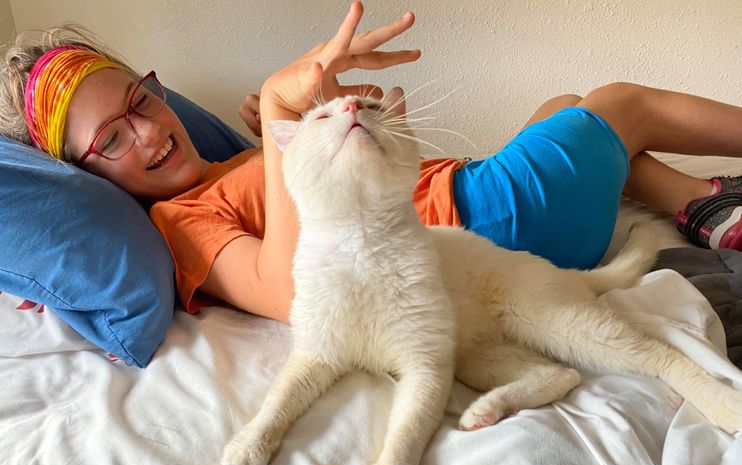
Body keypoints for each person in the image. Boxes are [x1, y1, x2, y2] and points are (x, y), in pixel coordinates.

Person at [1, 2, 741, 325]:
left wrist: (291, 136)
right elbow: (291, 292)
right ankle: (711, 202)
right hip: (484, 224)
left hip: (478, 205)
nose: (150, 131)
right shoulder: (179, 223)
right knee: (621, 103)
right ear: (87, 178)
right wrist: (286, 125)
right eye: (112, 140)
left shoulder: (221, 172)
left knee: (564, 104)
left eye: (142, 100)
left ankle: (707, 207)